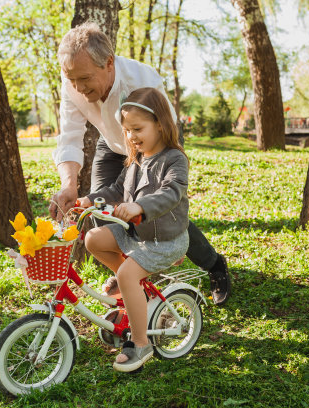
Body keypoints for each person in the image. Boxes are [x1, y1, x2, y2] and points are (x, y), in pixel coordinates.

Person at [49, 22, 231, 305]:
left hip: (155, 138)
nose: (78, 87)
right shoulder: (72, 78)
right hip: (111, 141)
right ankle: (134, 276)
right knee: (100, 210)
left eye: (84, 78)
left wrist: (149, 190)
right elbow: (70, 135)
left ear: (108, 63)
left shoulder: (142, 81)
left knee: (157, 212)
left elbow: (166, 136)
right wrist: (70, 185)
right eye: (72, 79)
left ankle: (214, 264)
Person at [77, 87, 189, 371]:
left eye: (137, 128)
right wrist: (90, 199)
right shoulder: (137, 160)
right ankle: (133, 289)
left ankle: (141, 344)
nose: (131, 136)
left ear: (161, 125)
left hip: (164, 240)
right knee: (93, 239)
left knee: (127, 273)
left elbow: (171, 192)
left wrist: (140, 206)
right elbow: (116, 189)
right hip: (138, 235)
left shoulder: (174, 159)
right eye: (127, 130)